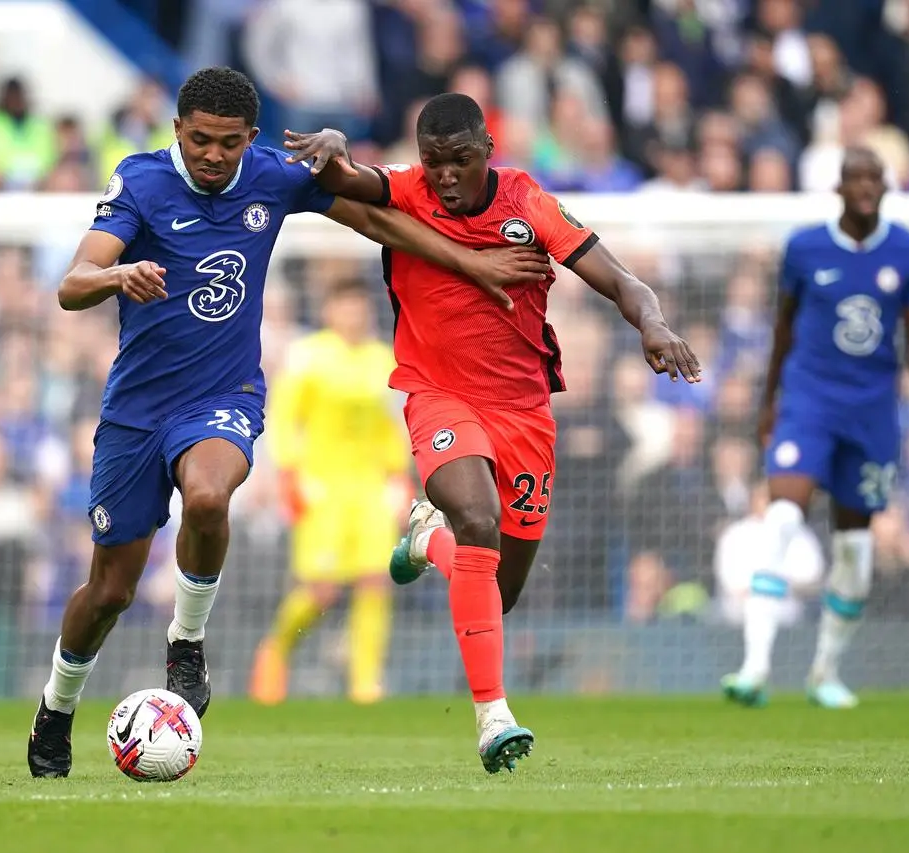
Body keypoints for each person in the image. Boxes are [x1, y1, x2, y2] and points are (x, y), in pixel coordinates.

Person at [28, 68, 553, 778]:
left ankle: (187, 644)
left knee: (210, 493)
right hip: (135, 410)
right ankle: (56, 709)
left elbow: (375, 216)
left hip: (225, 393)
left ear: (250, 139)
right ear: (179, 131)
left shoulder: (271, 177)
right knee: (110, 591)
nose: (215, 155)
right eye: (201, 140)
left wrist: (470, 261)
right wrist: (120, 275)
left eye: (230, 143)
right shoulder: (142, 181)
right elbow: (72, 283)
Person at [283, 93, 701, 773]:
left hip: (524, 410)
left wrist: (653, 324)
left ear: (486, 150)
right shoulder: (407, 188)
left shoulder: (528, 202)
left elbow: (622, 280)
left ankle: (427, 540)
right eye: (433, 162)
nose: (444, 175)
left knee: (496, 590)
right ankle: (493, 716)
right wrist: (334, 143)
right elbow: (343, 178)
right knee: (478, 517)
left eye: (458, 161)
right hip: (437, 392)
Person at [722, 146, 909, 709]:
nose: (866, 187)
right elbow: (783, 329)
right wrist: (769, 400)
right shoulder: (804, 248)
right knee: (782, 519)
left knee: (854, 551)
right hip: (809, 402)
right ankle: (754, 667)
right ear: (839, 188)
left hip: (872, 413)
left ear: (886, 189)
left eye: (875, 179)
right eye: (856, 179)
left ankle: (824, 671)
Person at [250, 278, 410, 705]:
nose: (354, 315)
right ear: (330, 312)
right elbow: (283, 418)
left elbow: (393, 425)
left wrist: (400, 475)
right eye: (346, 306)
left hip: (371, 487)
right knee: (321, 589)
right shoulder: (310, 357)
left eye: (360, 307)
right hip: (321, 486)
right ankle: (275, 650)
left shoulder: (383, 359)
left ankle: (365, 684)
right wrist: (287, 474)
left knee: (376, 580)